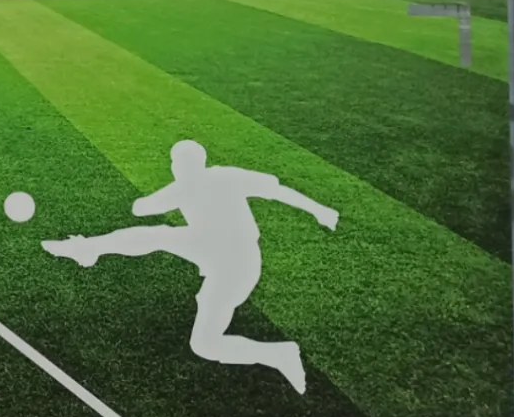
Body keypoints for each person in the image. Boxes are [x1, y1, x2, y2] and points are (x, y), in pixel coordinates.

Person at [35, 139, 338, 394]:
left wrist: (319, 210)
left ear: (188, 164)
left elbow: (141, 208)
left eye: (179, 162)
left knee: (162, 244)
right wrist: (319, 210)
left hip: (235, 261)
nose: (177, 168)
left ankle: (87, 250)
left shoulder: (205, 182)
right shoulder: (199, 183)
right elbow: (142, 209)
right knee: (202, 338)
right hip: (219, 255)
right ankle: (86, 249)